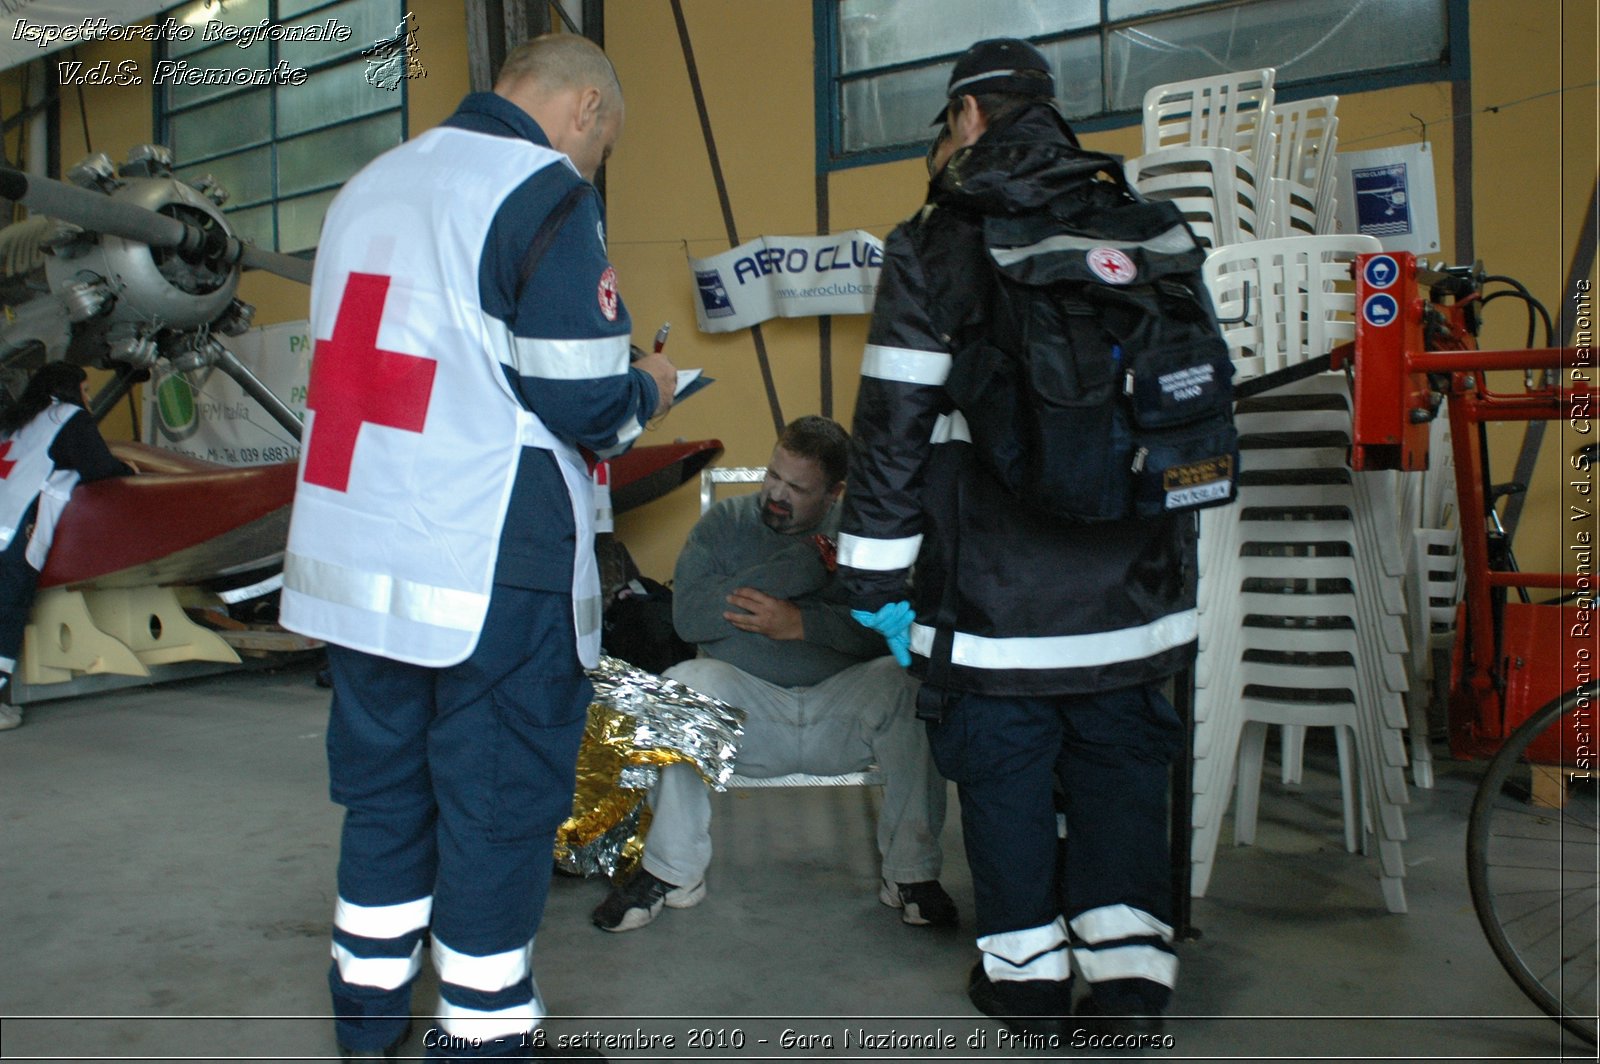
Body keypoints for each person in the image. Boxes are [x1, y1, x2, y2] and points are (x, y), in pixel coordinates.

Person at [278, 33, 676, 1063]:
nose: (591, 167)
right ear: (585, 109)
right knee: (496, 810)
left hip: (359, 558)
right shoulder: (537, 188)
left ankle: (364, 1025)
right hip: (484, 557)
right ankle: (484, 1041)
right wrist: (654, 389)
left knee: (386, 796)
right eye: (603, 145)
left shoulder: (371, 184)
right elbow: (585, 394)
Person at [837, 39, 1197, 1039]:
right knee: (1123, 778)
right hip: (1137, 594)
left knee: (1002, 779)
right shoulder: (1145, 226)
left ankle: (1028, 988)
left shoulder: (935, 242)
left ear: (967, 117)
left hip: (997, 608)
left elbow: (893, 425)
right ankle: (1128, 994)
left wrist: (871, 577)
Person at [591, 416, 954, 933]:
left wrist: (802, 623)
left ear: (834, 494)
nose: (776, 494)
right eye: (773, 476)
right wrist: (807, 565)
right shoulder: (725, 524)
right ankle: (670, 873)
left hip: (841, 711)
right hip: (749, 716)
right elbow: (690, 615)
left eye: (797, 487)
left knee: (909, 685)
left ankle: (911, 875)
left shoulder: (866, 534)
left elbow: (888, 630)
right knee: (684, 685)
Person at [0, 362, 135, 730]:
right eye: (86, 389)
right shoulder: (67, 417)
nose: (89, 397)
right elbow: (98, 468)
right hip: (16, 533)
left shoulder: (19, 420)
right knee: (8, 609)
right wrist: (132, 474)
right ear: (70, 389)